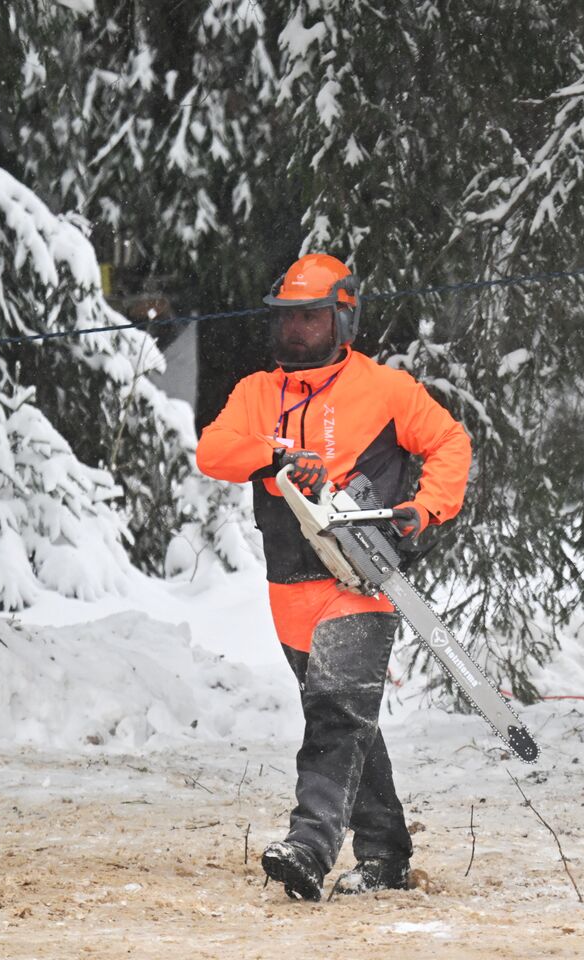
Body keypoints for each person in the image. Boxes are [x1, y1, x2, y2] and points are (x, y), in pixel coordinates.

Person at [195, 253, 472, 901]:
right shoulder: (257, 394)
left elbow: (449, 442)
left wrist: (423, 509)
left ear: (342, 318)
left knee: (336, 714)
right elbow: (214, 450)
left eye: (310, 317)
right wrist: (279, 455)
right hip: (288, 581)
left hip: (364, 577)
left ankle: (309, 844)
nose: (296, 330)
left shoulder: (386, 388)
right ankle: (386, 856)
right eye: (288, 318)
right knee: (347, 725)